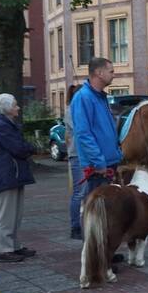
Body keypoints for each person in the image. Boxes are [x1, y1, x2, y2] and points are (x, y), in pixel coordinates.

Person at [0, 94, 37, 263]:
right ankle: (4, 249)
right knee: (7, 214)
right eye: (15, 105)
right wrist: (31, 148)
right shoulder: (2, 125)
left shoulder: (4, 124)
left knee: (14, 213)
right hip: (8, 173)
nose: (18, 108)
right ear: (7, 108)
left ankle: (13, 246)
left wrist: (26, 148)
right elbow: (18, 148)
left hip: (11, 173)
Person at [70, 57, 122, 205]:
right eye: (111, 71)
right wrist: (99, 162)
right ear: (99, 73)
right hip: (97, 168)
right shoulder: (83, 97)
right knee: (96, 212)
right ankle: (79, 229)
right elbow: (83, 134)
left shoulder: (100, 96)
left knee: (106, 212)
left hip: (107, 164)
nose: (114, 74)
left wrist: (117, 154)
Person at [63, 84, 83, 240]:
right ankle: (75, 226)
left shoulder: (75, 109)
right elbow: (80, 129)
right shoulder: (71, 110)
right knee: (78, 193)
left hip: (80, 154)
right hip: (77, 155)